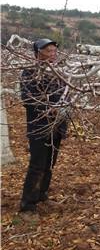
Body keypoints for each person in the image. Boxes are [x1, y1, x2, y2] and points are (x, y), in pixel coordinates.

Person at [19, 38, 68, 218]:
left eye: (54, 50)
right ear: (38, 53)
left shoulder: (58, 73)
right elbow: (28, 99)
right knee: (37, 165)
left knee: (49, 164)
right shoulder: (30, 73)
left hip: (57, 128)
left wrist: (65, 109)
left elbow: (66, 95)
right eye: (47, 51)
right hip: (39, 127)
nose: (52, 54)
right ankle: (27, 206)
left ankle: (42, 195)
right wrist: (50, 109)